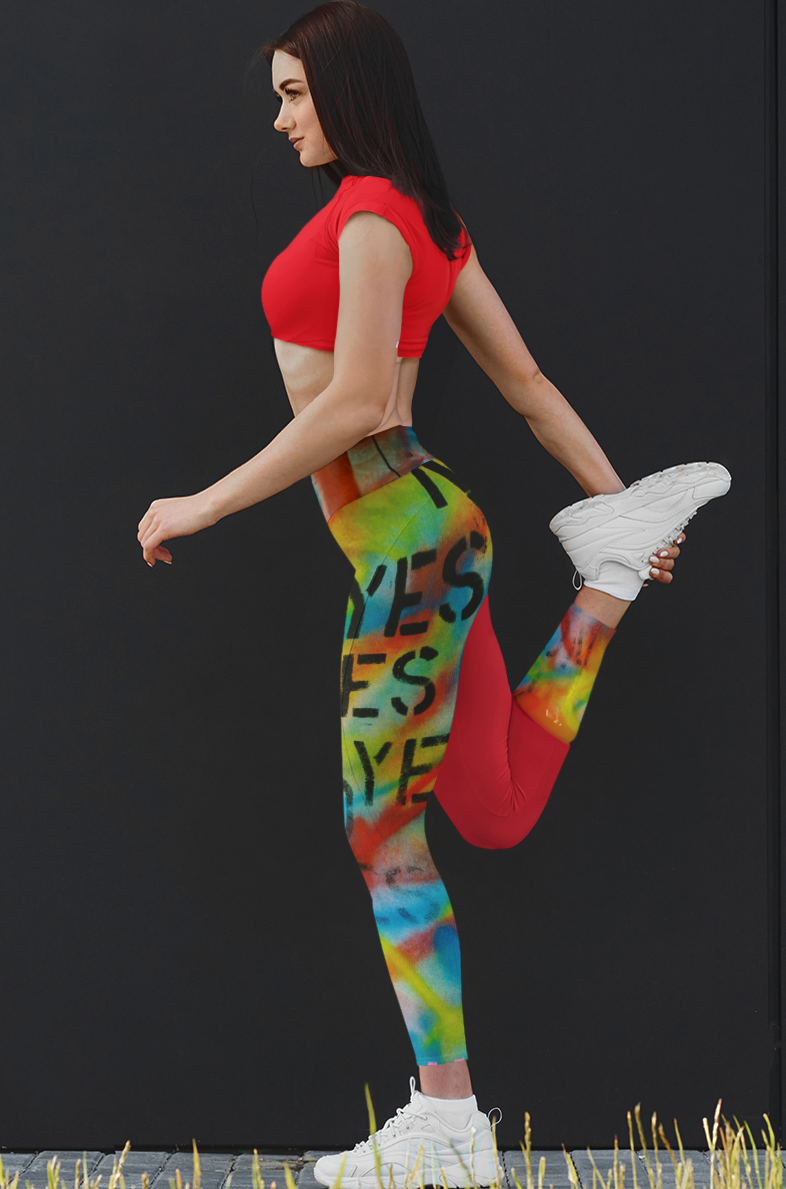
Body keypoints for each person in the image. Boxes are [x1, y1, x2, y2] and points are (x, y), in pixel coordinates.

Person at [137, 3, 730, 1185]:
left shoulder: (369, 214)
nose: (280, 117)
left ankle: (449, 1121)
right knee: (492, 809)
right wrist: (619, 505)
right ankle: (608, 579)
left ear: (348, 88)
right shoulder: (425, 220)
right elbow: (528, 384)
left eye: (295, 93)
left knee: (381, 829)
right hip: (432, 538)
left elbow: (361, 401)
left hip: (411, 547)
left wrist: (202, 502)